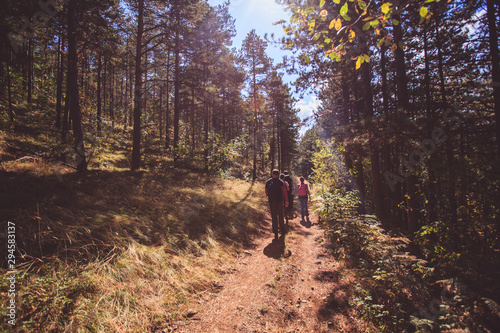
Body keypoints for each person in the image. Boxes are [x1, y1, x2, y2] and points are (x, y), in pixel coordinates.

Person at [265, 169, 289, 239]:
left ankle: (275, 230)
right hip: (280, 200)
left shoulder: (268, 182)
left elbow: (266, 192)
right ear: (278, 174)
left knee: (274, 215)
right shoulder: (281, 182)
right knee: (280, 214)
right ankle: (282, 230)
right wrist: (287, 201)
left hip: (272, 201)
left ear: (272, 174)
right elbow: (284, 191)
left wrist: (269, 196)